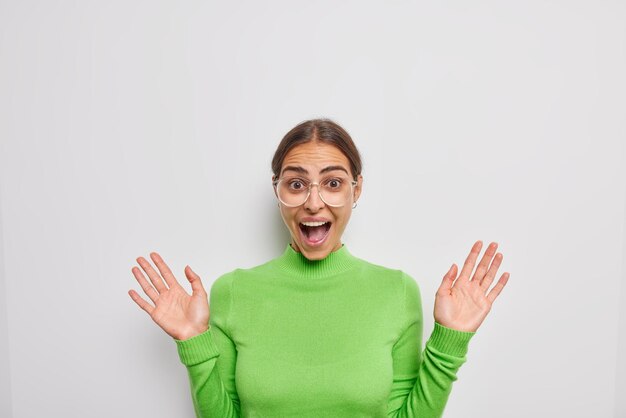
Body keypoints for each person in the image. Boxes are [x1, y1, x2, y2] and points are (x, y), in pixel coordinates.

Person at [128, 118, 510, 417]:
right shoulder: (232, 292)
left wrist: (450, 342)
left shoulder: (396, 291)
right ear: (277, 190)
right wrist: (194, 342)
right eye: (296, 184)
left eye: (332, 182)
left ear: (355, 191)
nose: (313, 203)